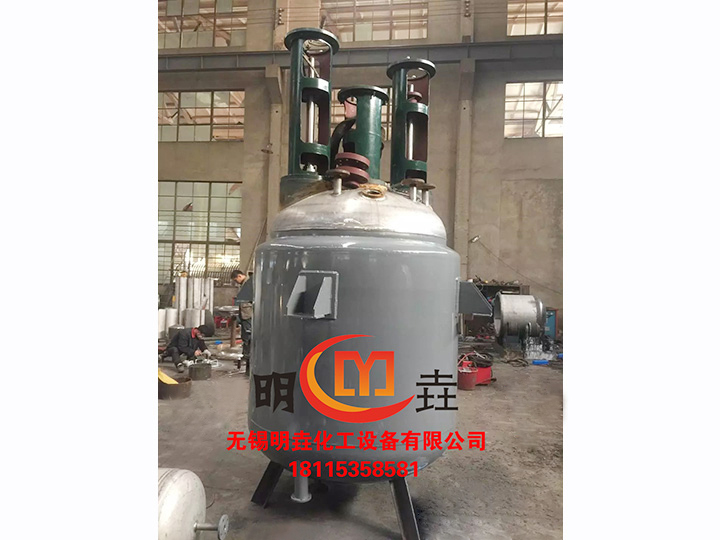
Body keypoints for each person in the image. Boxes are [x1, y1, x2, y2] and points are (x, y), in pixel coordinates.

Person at [231, 269, 253, 368]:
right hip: (245, 315)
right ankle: (246, 356)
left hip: (248, 315)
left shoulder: (249, 283)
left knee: (248, 336)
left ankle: (249, 357)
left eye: (236, 280)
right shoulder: (245, 284)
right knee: (245, 336)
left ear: (240, 276)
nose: (236, 282)